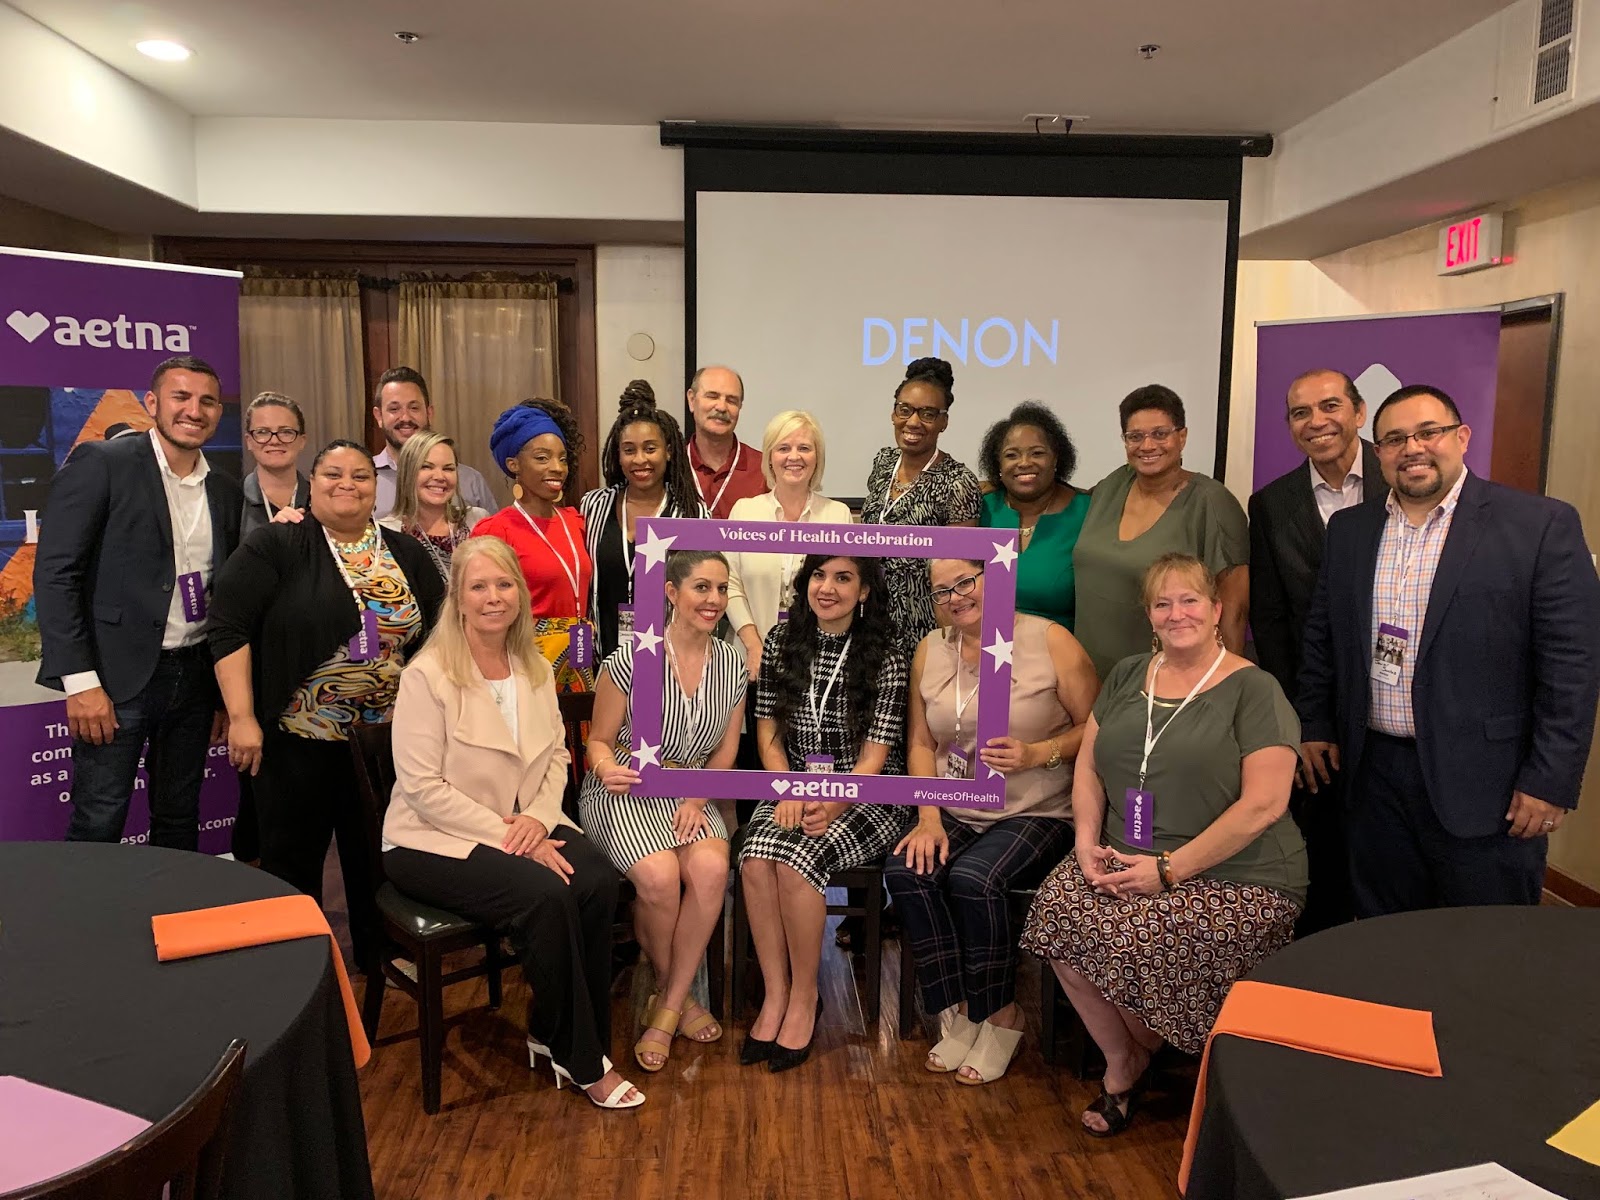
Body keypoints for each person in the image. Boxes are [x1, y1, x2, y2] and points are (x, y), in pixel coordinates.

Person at [1020, 553, 1306, 1137]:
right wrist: (1082, 841)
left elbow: (1265, 804)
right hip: (1122, 853)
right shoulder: (1127, 675)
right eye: (1162, 603)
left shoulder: (1255, 688)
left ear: (1217, 609)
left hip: (1240, 874)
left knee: (1129, 937)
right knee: (1056, 911)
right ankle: (1125, 1058)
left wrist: (1168, 870)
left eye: (1190, 600)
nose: (1177, 613)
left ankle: (1156, 1050)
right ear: (1149, 616)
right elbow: (1090, 770)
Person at [1297, 384, 1600, 915]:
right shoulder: (1350, 530)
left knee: (1484, 946)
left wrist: (1550, 780)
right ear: (1379, 452)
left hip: (1489, 782)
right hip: (1372, 774)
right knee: (1384, 929)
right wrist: (1317, 722)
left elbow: (1572, 666)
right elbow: (1324, 636)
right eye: (1394, 439)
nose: (1412, 447)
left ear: (1461, 438)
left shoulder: (1539, 525)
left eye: (1428, 432)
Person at [382, 536, 640, 1110]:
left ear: (520, 596)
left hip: (525, 819)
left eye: (504, 585)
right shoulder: (428, 675)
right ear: (459, 598)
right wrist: (512, 836)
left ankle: (557, 1033)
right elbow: (423, 790)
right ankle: (583, 1060)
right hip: (432, 839)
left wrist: (539, 821)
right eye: (479, 586)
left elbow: (554, 758)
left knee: (597, 877)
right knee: (546, 894)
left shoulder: (533, 667)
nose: (493, 597)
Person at [208, 439, 445, 965]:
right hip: (296, 739)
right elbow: (229, 628)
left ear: (375, 487)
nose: (347, 485)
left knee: (374, 857)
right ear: (310, 484)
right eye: (333, 474)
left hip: (383, 744)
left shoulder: (404, 551)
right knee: (293, 859)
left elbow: (439, 630)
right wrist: (243, 716)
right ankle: (294, 968)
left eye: (361, 476)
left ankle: (378, 954)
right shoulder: (277, 543)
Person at [886, 559, 1098, 1085]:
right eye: (942, 591)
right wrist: (928, 815)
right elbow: (920, 742)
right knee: (906, 870)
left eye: (966, 581)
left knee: (974, 878)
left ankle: (1001, 1012)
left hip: (1037, 809)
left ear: (995, 575)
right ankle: (955, 1006)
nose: (956, 596)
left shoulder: (1049, 639)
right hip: (955, 804)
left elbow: (1098, 727)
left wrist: (1038, 753)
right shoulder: (930, 648)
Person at [35, 354, 242, 850]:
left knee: (179, 815)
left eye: (207, 401)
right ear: (152, 403)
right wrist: (80, 682)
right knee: (99, 819)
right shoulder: (103, 464)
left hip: (193, 678)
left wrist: (219, 696)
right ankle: (87, 928)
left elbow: (223, 596)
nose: (194, 410)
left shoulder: (226, 490)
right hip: (113, 679)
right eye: (181, 397)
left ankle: (170, 921)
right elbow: (56, 574)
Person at [738, 554, 910, 1073]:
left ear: (863, 592)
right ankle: (776, 992)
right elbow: (767, 732)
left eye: (843, 578)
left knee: (794, 862)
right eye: (819, 575)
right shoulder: (780, 642)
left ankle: (805, 996)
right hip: (792, 785)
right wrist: (787, 785)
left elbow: (877, 756)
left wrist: (837, 799)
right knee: (753, 857)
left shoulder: (887, 654)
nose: (827, 587)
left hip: (868, 792)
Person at [579, 551, 746, 1073]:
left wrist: (697, 796)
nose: (714, 600)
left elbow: (726, 751)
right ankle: (682, 998)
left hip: (694, 787)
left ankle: (667, 1003)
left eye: (721, 589)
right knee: (658, 877)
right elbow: (599, 743)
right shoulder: (630, 658)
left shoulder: (733, 661)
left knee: (712, 868)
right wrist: (605, 767)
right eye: (701, 587)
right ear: (671, 594)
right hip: (627, 787)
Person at [1248, 368, 1384, 934]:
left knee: (1393, 859)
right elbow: (1272, 621)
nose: (1316, 421)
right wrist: (1301, 720)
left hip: (1400, 710)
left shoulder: (1405, 475)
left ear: (1358, 411)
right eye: (1300, 413)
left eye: (1330, 406)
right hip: (1317, 713)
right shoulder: (1272, 503)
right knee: (1323, 858)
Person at [1073, 384, 1249, 680]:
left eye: (1160, 434)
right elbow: (1066, 498)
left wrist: (1226, 686)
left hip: (1166, 679)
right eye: (1135, 436)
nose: (1147, 446)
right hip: (1086, 673)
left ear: (1182, 436)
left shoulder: (1212, 502)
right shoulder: (1113, 485)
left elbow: (1235, 609)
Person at [859, 357, 982, 661]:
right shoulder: (883, 463)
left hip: (924, 629)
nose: (913, 422)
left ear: (944, 421)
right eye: (905, 410)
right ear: (893, 413)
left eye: (928, 414)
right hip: (868, 620)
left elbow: (959, 577)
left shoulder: (958, 481)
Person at [472, 399, 595, 692]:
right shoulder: (495, 531)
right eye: (542, 458)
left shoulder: (576, 522)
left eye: (562, 459)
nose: (557, 468)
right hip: (524, 664)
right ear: (514, 464)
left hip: (580, 663)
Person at [578, 381, 707, 661]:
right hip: (604, 657)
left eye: (650, 448)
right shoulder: (594, 506)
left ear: (669, 451)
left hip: (671, 662)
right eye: (629, 450)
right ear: (618, 455)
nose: (640, 460)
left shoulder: (692, 512)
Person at [726, 409, 853, 682]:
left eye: (804, 448)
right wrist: (753, 645)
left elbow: (844, 588)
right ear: (770, 457)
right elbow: (731, 584)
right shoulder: (745, 511)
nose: (794, 457)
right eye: (783, 448)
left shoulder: (838, 515)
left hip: (817, 662)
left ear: (816, 457)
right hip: (751, 661)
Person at [976, 402, 1092, 630]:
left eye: (1037, 453)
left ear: (1056, 459)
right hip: (983, 650)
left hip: (1058, 654)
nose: (1024, 463)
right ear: (997, 463)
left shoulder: (1087, 512)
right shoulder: (980, 508)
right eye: (1011, 455)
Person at [371, 366, 497, 517]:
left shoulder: (470, 481)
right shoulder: (364, 481)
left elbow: (493, 539)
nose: (405, 417)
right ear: (379, 416)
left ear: (429, 414)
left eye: (414, 408)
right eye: (394, 409)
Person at [378, 431, 490, 585]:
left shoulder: (478, 520)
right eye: (426, 467)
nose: (439, 476)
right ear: (407, 473)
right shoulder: (386, 533)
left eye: (448, 468)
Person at [685, 365, 765, 519]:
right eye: (712, 396)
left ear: (740, 406)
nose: (722, 407)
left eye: (731, 400)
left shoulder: (764, 470)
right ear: (692, 400)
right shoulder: (670, 467)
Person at [240, 392, 311, 539]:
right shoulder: (232, 500)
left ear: (302, 441)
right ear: (249, 441)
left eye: (285, 432)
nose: (274, 441)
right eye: (262, 432)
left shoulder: (320, 499)